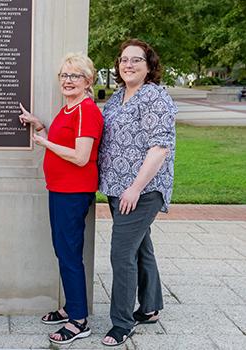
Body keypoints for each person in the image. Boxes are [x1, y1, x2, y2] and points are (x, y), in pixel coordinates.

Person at [19, 52, 103, 345]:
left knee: (68, 253)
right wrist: (39, 125)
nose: (68, 81)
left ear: (88, 80)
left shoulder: (87, 111)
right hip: (59, 189)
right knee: (63, 249)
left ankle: (79, 320)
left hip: (73, 192)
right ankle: (71, 306)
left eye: (75, 76)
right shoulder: (68, 109)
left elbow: (81, 157)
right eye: (64, 76)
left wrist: (45, 143)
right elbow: (62, 141)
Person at [98, 39, 177, 347]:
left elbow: (160, 148)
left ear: (149, 66)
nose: (128, 64)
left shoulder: (155, 97)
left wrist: (134, 188)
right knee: (141, 248)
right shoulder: (118, 97)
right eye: (123, 60)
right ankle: (151, 307)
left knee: (121, 254)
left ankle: (121, 323)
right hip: (119, 189)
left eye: (136, 60)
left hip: (142, 191)